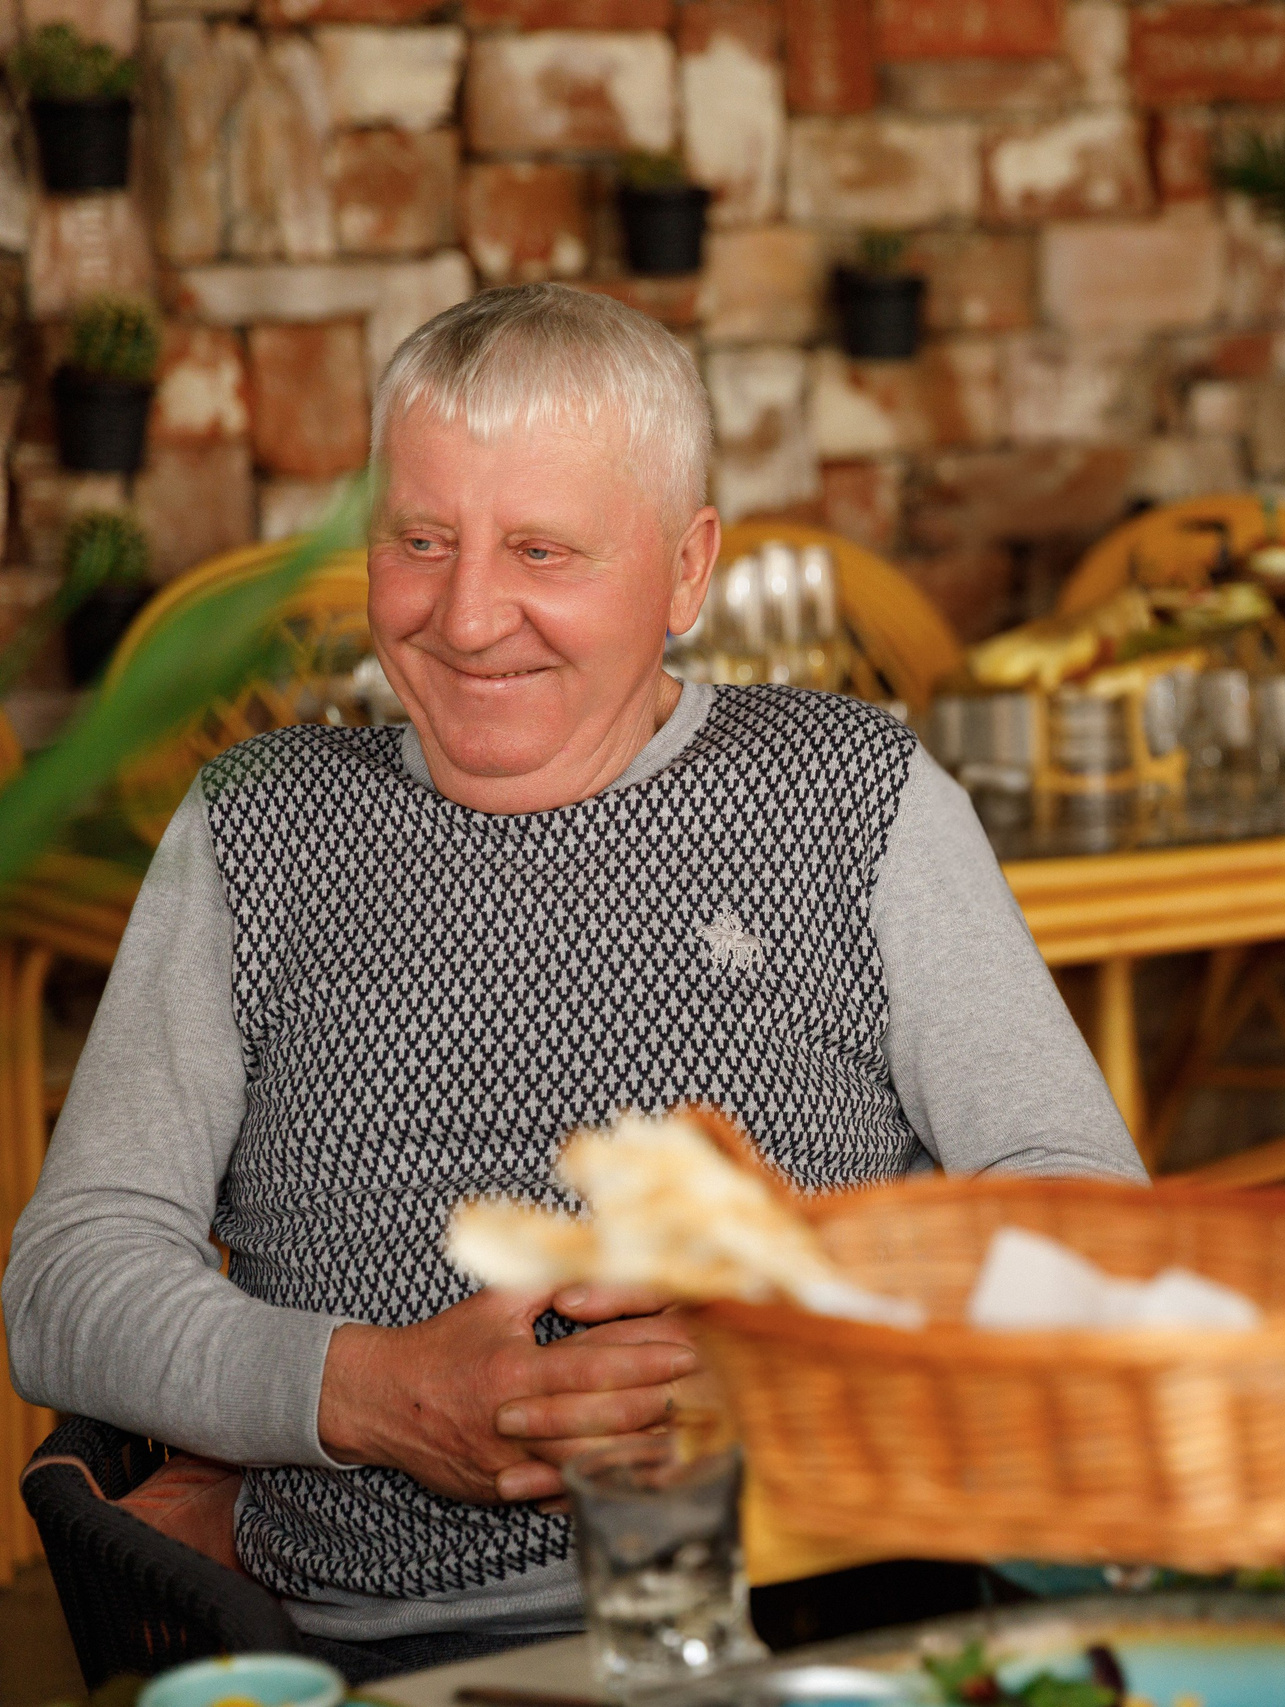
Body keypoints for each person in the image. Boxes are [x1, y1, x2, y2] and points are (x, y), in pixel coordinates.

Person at [5, 284, 1145, 1671]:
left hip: (835, 1628)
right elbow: (65, 1280)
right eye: (420, 542)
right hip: (393, 1652)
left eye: (541, 549)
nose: (469, 616)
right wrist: (364, 1392)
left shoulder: (856, 796)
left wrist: (818, 1332)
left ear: (685, 568)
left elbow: (1093, 1223)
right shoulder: (255, 825)